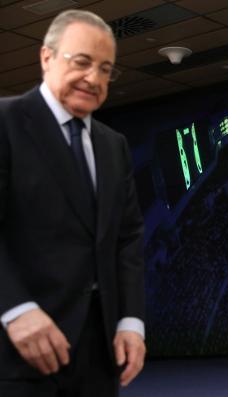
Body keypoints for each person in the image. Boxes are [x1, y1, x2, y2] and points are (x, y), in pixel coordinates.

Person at [0, 9, 146, 396]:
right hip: (16, 354)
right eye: (82, 62)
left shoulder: (113, 145)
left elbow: (127, 238)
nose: (94, 78)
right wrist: (15, 309)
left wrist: (131, 321)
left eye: (106, 69)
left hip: (100, 357)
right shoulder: (5, 122)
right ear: (46, 57)